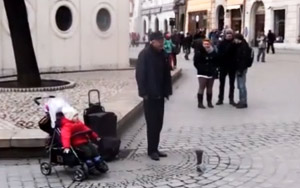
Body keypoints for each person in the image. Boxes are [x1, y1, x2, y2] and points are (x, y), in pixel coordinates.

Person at [135, 31, 172, 161]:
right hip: (149, 95)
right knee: (152, 124)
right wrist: (143, 92)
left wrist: (167, 90)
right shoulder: (144, 55)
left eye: (162, 40)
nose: (161, 43)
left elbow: (166, 74)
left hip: (160, 94)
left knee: (159, 123)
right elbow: (140, 75)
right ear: (152, 41)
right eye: (159, 41)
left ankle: (155, 148)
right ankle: (151, 150)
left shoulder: (163, 54)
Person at [60, 106, 108, 173]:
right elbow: (65, 137)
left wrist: (95, 136)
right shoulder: (67, 126)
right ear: (70, 117)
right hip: (77, 143)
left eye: (77, 115)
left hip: (85, 140)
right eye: (74, 116)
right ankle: (90, 165)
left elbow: (88, 130)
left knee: (94, 149)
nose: (77, 117)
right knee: (87, 151)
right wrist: (66, 147)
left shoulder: (79, 123)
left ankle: (98, 162)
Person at [194, 39, 219, 109]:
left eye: (208, 44)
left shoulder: (213, 52)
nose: (206, 45)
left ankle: (209, 102)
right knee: (202, 87)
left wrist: (215, 69)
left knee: (210, 87)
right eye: (205, 44)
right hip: (202, 72)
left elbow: (217, 61)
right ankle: (200, 103)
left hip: (211, 72)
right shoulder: (199, 52)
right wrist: (200, 68)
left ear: (210, 44)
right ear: (202, 45)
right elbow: (195, 62)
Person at [216, 29, 237, 106]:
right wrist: (218, 65)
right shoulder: (221, 43)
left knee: (232, 84)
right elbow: (219, 54)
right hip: (223, 66)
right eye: (227, 34)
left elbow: (237, 55)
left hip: (232, 66)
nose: (229, 35)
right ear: (225, 35)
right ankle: (220, 99)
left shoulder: (235, 44)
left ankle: (231, 99)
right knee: (222, 84)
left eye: (230, 34)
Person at [233, 34, 252, 109]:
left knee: (241, 85)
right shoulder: (241, 45)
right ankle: (241, 100)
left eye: (235, 39)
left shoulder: (243, 47)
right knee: (240, 85)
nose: (234, 41)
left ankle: (243, 102)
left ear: (238, 39)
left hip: (241, 69)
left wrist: (240, 70)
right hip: (240, 68)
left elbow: (243, 60)